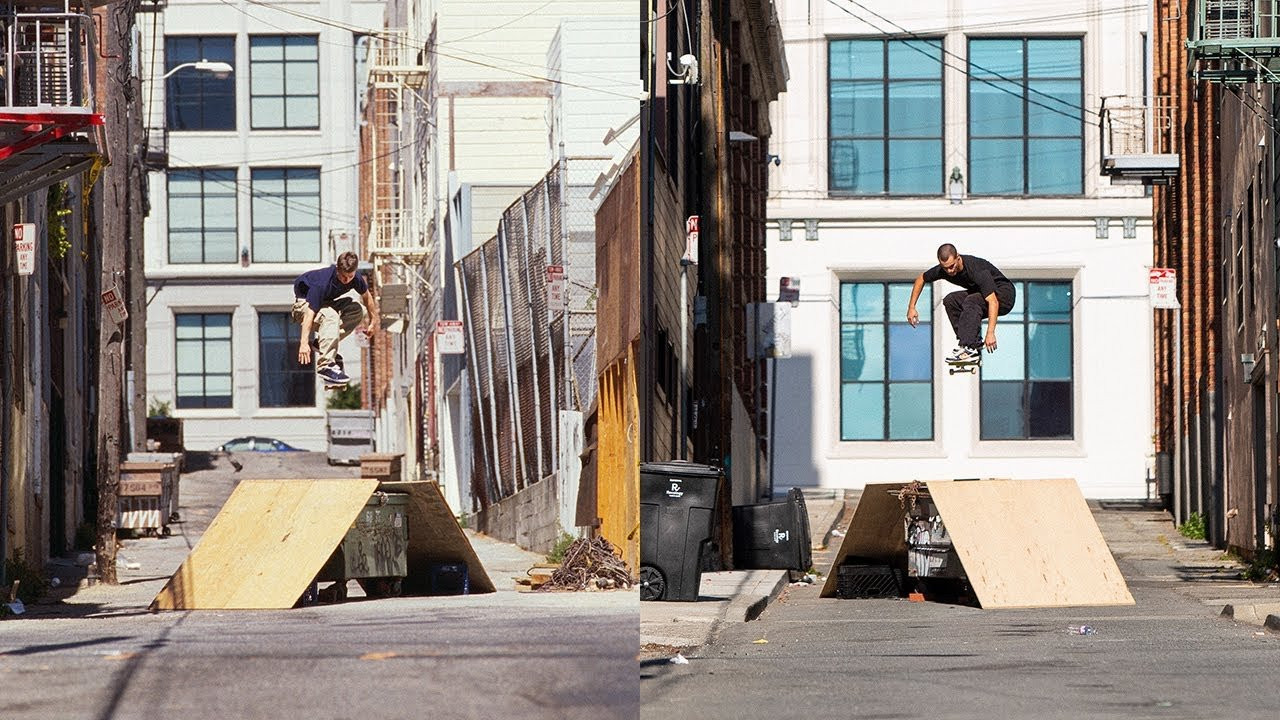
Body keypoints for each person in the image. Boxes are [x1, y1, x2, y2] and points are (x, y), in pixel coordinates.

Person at [906, 243, 1015, 364]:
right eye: (945, 268)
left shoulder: (976, 269)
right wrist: (911, 307)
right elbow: (921, 279)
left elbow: (993, 302)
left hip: (1004, 296)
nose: (949, 271)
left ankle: (969, 347)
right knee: (951, 301)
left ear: (958, 258)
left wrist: (990, 333)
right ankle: (970, 346)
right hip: (983, 295)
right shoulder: (943, 270)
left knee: (972, 301)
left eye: (952, 266)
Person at [291, 252, 380, 386]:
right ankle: (325, 366)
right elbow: (309, 313)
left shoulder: (356, 278)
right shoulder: (322, 282)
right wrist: (304, 343)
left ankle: (321, 344)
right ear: (337, 269)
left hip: (325, 304)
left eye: (350, 277)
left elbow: (367, 296)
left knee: (358, 310)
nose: (346, 280)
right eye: (343, 276)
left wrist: (373, 321)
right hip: (303, 307)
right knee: (331, 315)